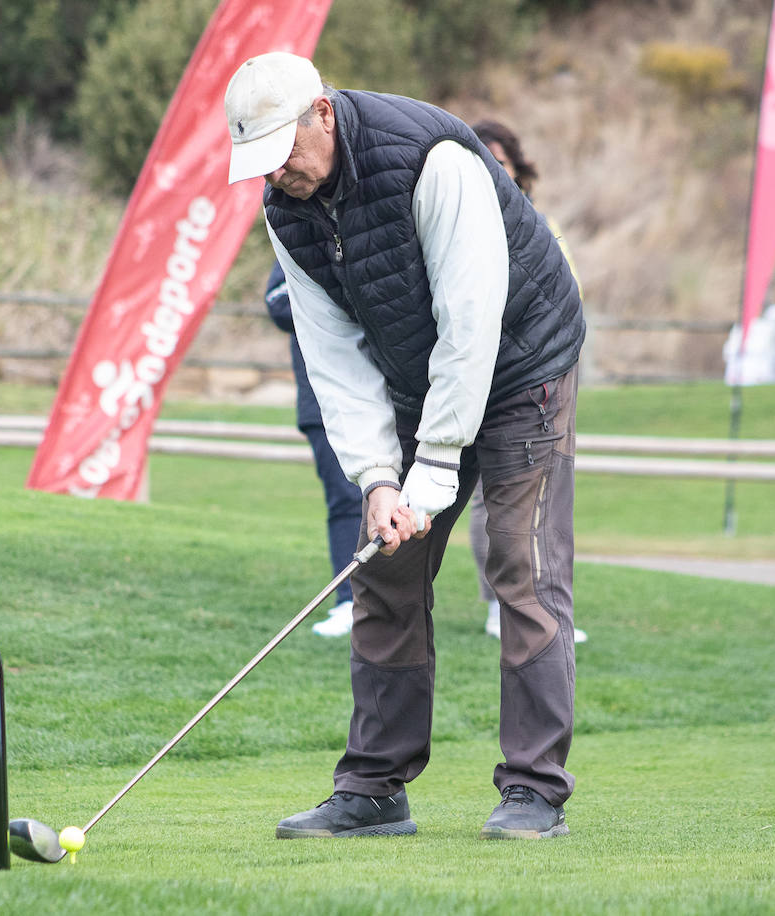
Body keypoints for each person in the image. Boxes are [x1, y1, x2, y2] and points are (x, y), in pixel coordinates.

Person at [224, 52, 586, 841]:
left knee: (522, 571)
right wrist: (381, 478)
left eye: (286, 150)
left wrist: (434, 465)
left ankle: (533, 790)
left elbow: (470, 322)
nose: (279, 172)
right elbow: (333, 353)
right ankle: (375, 789)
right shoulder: (286, 209)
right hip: (415, 379)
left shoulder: (434, 162)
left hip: (524, 364)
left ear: (323, 113)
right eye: (263, 162)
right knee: (384, 570)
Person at [468, 119, 586, 646]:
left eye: (503, 159)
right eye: (484, 159)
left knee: (550, 494)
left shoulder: (541, 222)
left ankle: (546, 605)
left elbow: (568, 288)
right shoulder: (464, 219)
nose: (496, 169)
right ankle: (498, 601)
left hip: (546, 369)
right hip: (487, 372)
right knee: (487, 499)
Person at [265, 262, 363, 637]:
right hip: (321, 400)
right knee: (344, 500)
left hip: (390, 394)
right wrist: (335, 290)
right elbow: (277, 302)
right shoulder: (295, 233)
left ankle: (397, 604)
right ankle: (348, 601)